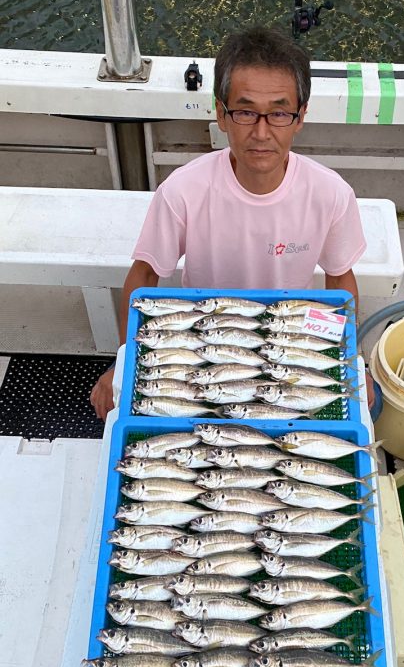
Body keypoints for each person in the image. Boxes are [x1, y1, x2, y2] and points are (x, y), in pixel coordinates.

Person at [90, 25, 376, 421]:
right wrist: (123, 361)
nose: (261, 132)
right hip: (201, 337)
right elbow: (144, 275)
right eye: (244, 112)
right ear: (221, 114)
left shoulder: (331, 193)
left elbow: (340, 277)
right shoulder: (184, 189)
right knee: (120, 406)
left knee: (358, 406)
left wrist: (352, 358)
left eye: (279, 113)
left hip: (289, 336)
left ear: (301, 117)